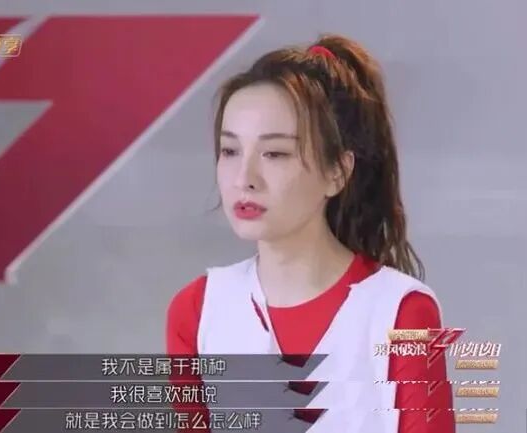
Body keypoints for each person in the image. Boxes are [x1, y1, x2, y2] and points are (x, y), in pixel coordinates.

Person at [166, 35, 454, 433]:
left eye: (275, 153)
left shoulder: (401, 313)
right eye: (230, 151)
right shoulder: (199, 311)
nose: (244, 178)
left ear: (337, 171)